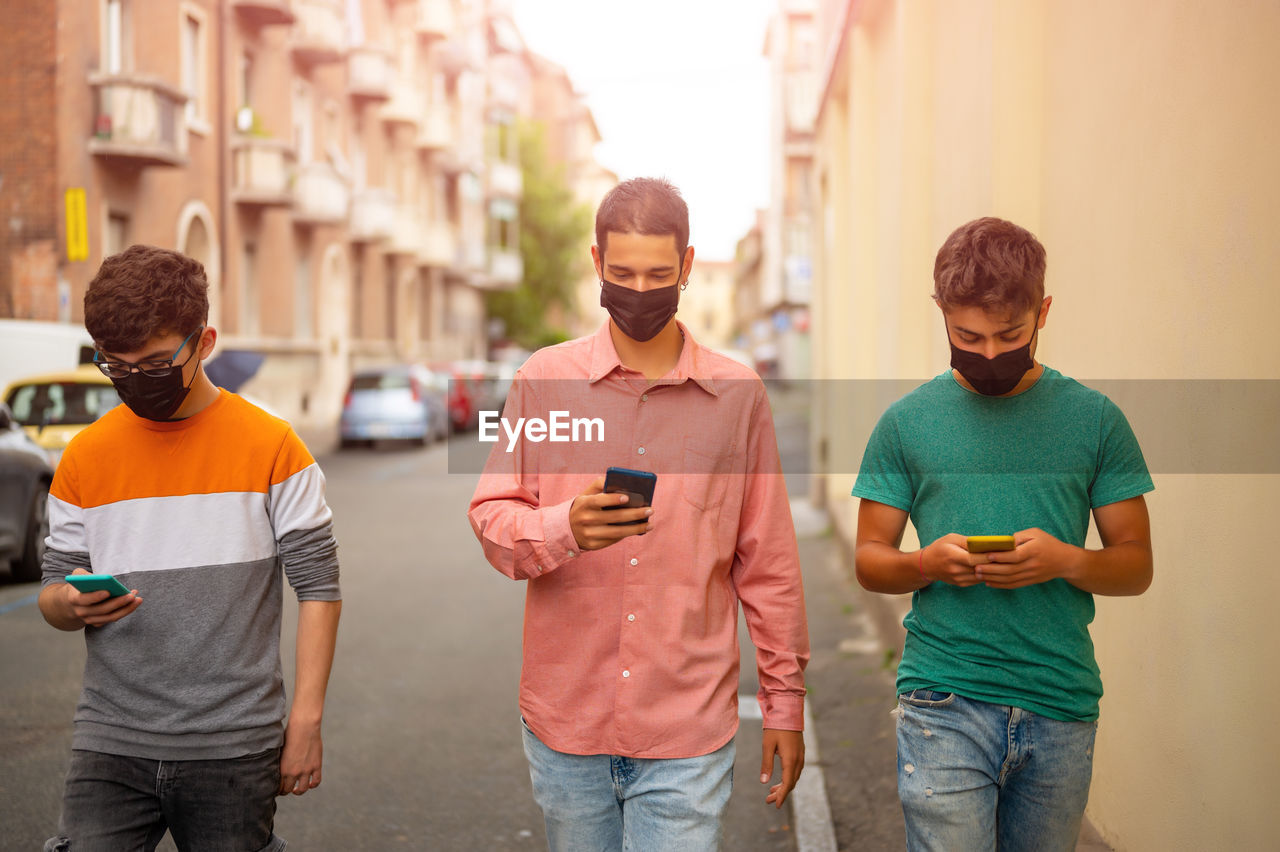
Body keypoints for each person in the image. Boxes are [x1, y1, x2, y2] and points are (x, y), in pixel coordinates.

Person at [468, 177, 810, 851]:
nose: (640, 289)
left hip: (687, 727)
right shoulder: (543, 380)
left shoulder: (738, 396)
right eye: (621, 273)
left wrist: (785, 704)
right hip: (566, 725)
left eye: (659, 274)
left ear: (687, 266)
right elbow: (491, 519)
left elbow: (767, 563)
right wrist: (565, 527)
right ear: (596, 264)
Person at [851, 217, 1154, 851]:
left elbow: (1135, 565)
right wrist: (927, 564)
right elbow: (871, 560)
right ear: (941, 313)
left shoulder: (1097, 421)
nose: (989, 353)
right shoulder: (905, 423)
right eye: (967, 335)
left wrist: (1066, 561)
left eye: (1009, 334)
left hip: (1060, 703)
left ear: (1043, 311)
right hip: (943, 700)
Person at [38, 245, 342, 852]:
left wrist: (304, 722)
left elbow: (319, 587)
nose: (133, 380)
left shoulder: (273, 446)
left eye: (152, 362)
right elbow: (52, 587)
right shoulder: (84, 456)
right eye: (115, 366)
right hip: (110, 737)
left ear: (204, 342)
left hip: (233, 742)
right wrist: (69, 605)